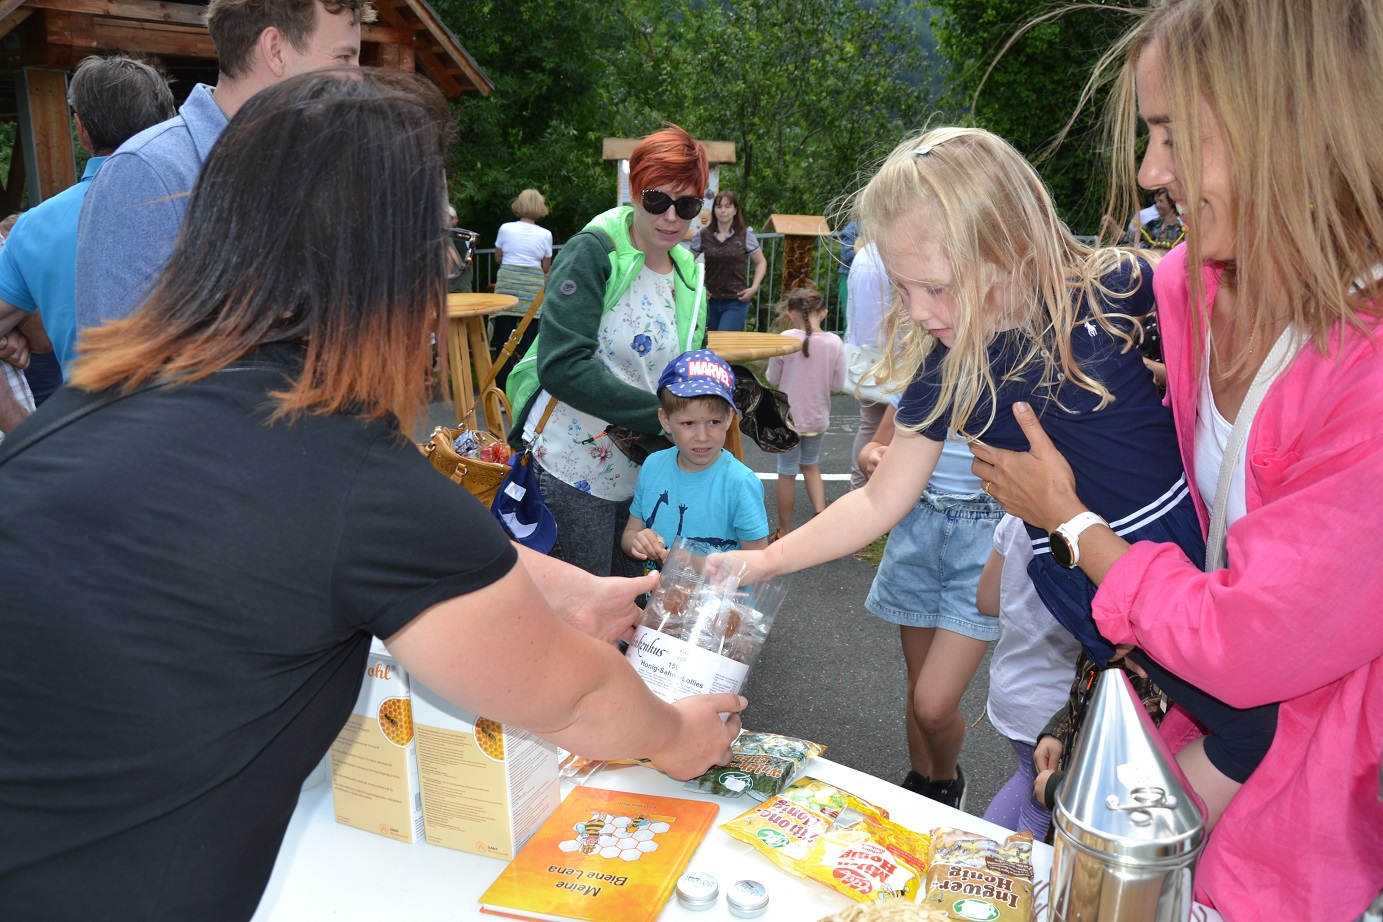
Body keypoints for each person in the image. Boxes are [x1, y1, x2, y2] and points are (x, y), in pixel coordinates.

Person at [0, 71, 744, 920]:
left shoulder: (92, 410)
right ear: (383, 265)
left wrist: (567, 590)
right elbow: (573, 698)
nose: (448, 268)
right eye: (442, 240)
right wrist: (678, 734)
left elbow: (352, 549)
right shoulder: (349, 475)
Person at [968, 1, 1383, 916]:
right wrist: (1100, 702)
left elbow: (1249, 642)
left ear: (1300, 125)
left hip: (1297, 848)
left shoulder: (1368, 373)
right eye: (1150, 137)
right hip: (1176, 767)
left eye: (1177, 137)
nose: (1152, 173)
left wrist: (1068, 521)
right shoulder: (1180, 288)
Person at [731, 125, 1218, 812]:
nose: (917, 311)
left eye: (936, 287)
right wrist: (761, 563)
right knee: (1189, 735)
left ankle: (1140, 821)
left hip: (1188, 563)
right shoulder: (950, 369)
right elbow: (876, 502)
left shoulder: (1113, 284)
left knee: (1242, 728)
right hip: (1093, 593)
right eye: (902, 289)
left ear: (1007, 243)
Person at [75, 0, 373, 329]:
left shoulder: (313, 166)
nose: (358, 80)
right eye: (344, 58)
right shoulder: (147, 174)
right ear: (275, 50)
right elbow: (117, 353)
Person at [504, 124, 710, 578]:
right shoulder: (594, 251)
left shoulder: (689, 276)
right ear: (634, 191)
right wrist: (665, 417)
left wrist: (726, 397)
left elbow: (688, 371)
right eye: (657, 199)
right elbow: (562, 366)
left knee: (634, 610)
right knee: (581, 611)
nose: (671, 216)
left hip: (644, 481)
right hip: (571, 470)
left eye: (687, 205)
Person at [0, 54, 175, 398]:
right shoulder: (206, 201)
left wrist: (17, 418)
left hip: (94, 418)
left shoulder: (34, 226)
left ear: (81, 130)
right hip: (208, 414)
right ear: (167, 122)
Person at [856, 403, 1002, 810]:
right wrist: (872, 457)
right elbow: (873, 447)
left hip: (985, 537)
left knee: (933, 705)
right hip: (917, 530)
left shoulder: (1017, 377)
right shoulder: (920, 378)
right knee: (917, 685)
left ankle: (945, 777)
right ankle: (922, 778)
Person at [976, 513, 1081, 840]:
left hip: (1013, 689)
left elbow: (987, 601)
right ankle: (1013, 869)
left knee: (1027, 777)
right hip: (1058, 710)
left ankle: (979, 860)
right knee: (1041, 804)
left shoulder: (1016, 518)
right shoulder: (1101, 537)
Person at [621, 350, 769, 569]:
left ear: (729, 417)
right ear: (665, 420)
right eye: (688, 423)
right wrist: (637, 541)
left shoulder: (740, 484)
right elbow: (631, 532)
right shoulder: (652, 466)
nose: (702, 436)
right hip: (657, 591)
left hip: (719, 593)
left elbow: (760, 563)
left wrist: (697, 565)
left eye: (714, 422)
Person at [765, 284, 844, 537]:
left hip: (788, 419)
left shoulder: (785, 338)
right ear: (824, 312)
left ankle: (785, 531)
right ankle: (821, 520)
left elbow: (772, 378)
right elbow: (837, 385)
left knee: (786, 472)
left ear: (791, 314)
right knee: (810, 465)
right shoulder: (835, 342)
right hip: (817, 417)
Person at [491, 188, 554, 389]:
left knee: (503, 342)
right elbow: (546, 267)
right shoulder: (546, 234)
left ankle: (499, 389)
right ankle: (523, 389)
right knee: (530, 343)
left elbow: (498, 257)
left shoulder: (505, 229)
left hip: (507, 287)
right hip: (532, 289)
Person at [845, 240, 890, 490]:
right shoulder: (890, 252)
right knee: (896, 428)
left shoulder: (864, 254)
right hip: (894, 356)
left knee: (870, 425)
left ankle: (859, 487)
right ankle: (869, 488)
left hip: (866, 354)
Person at [688, 189, 766, 331]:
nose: (723, 211)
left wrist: (754, 287)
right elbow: (686, 262)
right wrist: (698, 286)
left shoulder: (745, 234)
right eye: (719, 207)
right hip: (709, 301)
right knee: (708, 341)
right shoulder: (703, 235)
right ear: (714, 210)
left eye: (727, 206)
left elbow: (761, 262)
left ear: (735, 210)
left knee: (724, 341)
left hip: (736, 301)